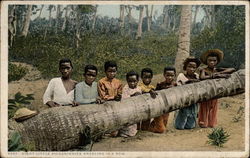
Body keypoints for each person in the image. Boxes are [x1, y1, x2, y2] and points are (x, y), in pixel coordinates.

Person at [198, 49, 235, 128]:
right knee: (204, 109)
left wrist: (219, 73)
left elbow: (232, 69)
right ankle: (203, 122)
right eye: (210, 60)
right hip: (205, 93)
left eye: (214, 61)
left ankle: (211, 122)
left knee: (213, 108)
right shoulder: (203, 70)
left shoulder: (217, 70)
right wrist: (216, 76)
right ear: (206, 61)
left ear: (217, 61)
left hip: (215, 93)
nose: (212, 62)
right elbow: (202, 78)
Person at [144, 67, 177, 133]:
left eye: (171, 76)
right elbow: (155, 95)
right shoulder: (160, 84)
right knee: (161, 127)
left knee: (164, 122)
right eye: (168, 75)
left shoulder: (175, 85)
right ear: (164, 75)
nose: (169, 77)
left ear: (174, 75)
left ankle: (153, 126)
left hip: (168, 107)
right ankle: (152, 128)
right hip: (159, 107)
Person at [174, 57, 201, 130]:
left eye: (194, 67)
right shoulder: (181, 76)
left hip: (194, 100)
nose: (191, 69)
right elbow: (180, 88)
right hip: (184, 100)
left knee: (191, 125)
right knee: (180, 125)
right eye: (189, 66)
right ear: (185, 67)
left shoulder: (197, 76)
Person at [98, 61, 123, 137]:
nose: (112, 73)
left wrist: (119, 97)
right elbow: (103, 96)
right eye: (109, 71)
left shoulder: (118, 82)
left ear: (116, 71)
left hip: (116, 106)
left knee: (115, 128)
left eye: (114, 71)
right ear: (105, 71)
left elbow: (120, 93)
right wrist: (113, 97)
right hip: (106, 105)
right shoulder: (101, 82)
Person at [118, 71, 142, 137]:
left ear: (137, 81)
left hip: (136, 108)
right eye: (130, 81)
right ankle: (124, 133)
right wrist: (132, 96)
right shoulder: (125, 88)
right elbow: (124, 99)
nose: (132, 83)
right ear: (127, 81)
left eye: (134, 81)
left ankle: (133, 131)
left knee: (134, 123)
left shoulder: (139, 88)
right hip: (127, 109)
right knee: (127, 122)